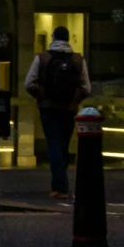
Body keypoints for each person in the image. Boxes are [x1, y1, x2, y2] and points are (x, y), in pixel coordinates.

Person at [24, 26, 93, 200]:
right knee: (62, 144)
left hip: (48, 109)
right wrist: (74, 100)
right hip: (69, 109)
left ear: (53, 38)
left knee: (53, 143)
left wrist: (42, 96)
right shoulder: (78, 60)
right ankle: (61, 185)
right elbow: (86, 88)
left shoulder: (43, 58)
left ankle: (60, 187)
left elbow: (28, 84)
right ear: (68, 39)